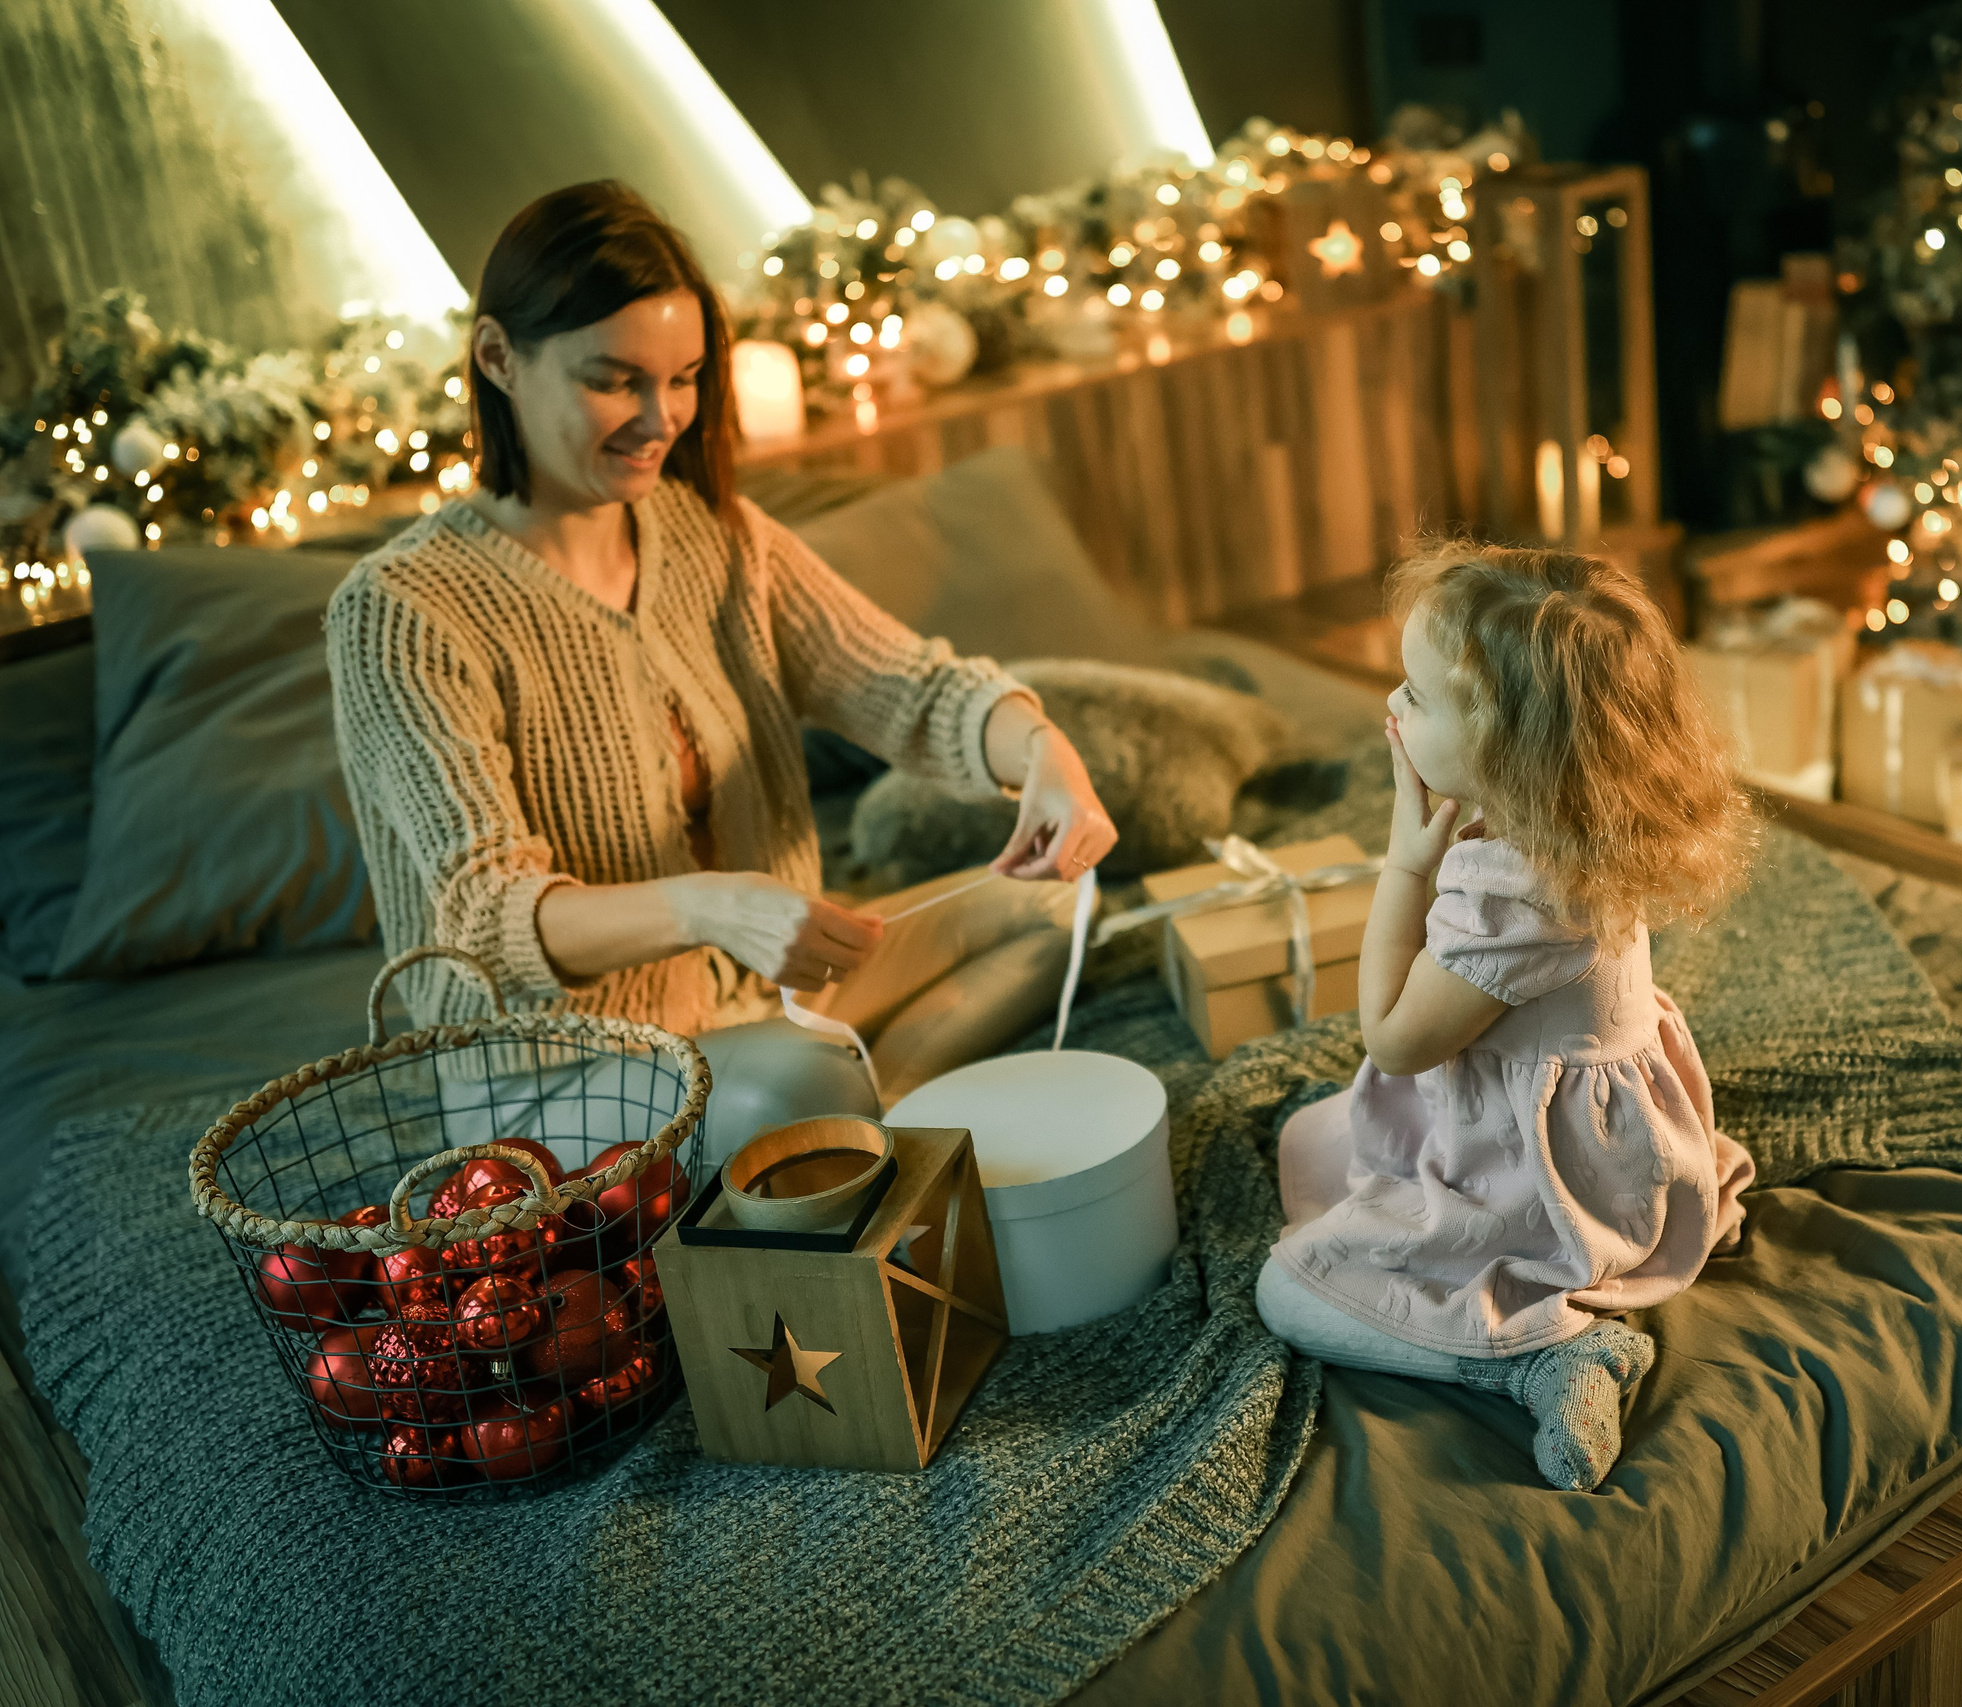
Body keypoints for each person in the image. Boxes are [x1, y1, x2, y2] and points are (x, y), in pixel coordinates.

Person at [326, 181, 1116, 1105]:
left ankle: (855, 1114)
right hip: (562, 1074)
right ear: (498, 356)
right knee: (802, 1084)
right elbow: (486, 917)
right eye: (613, 379)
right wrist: (716, 905)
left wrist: (1042, 751)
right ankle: (838, 1109)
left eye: (685, 377)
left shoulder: (714, 534)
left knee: (1058, 908)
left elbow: (917, 690)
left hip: (765, 1011)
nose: (661, 419)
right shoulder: (401, 609)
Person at [1255, 542, 1759, 1491]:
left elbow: (1393, 1037)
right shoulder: (1579, 819)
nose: (1391, 709)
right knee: (1311, 1146)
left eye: (1416, 695)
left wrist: (1404, 865)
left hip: (1542, 1176)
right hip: (1604, 1131)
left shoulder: (1518, 890)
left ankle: (1539, 1354)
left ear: (1504, 744)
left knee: (1288, 1291)